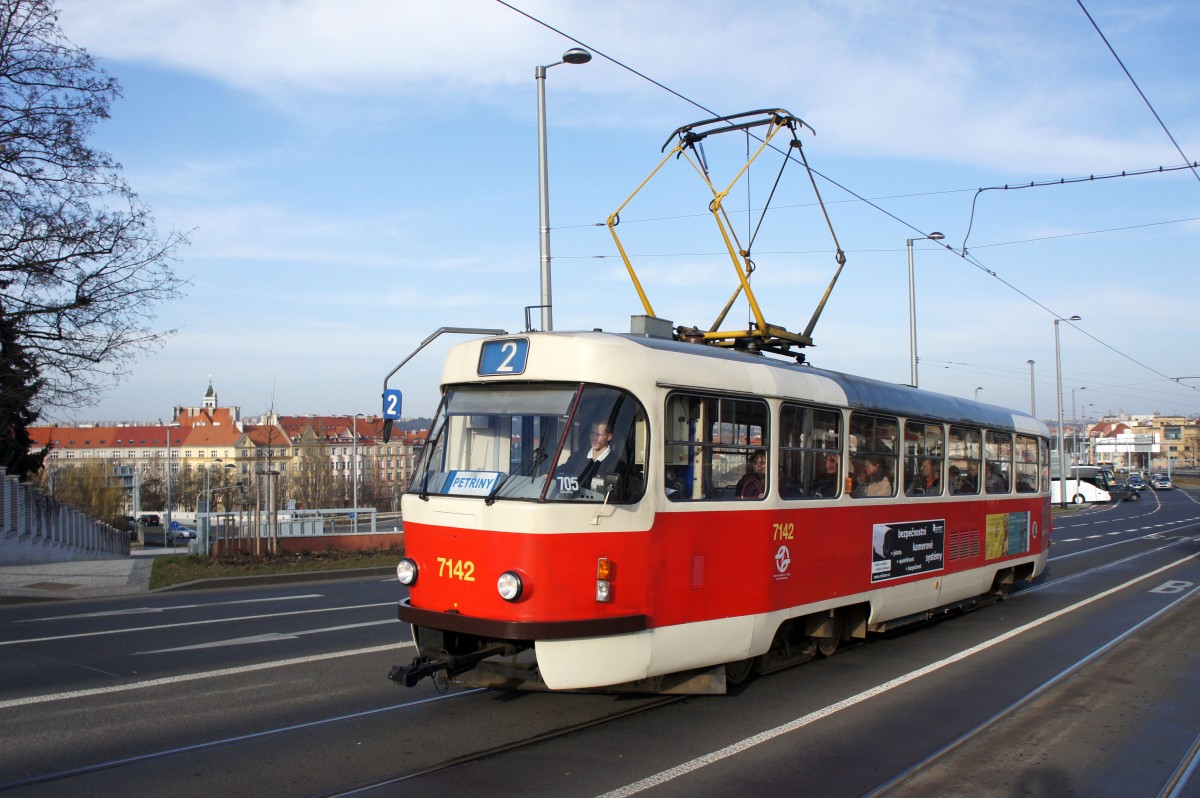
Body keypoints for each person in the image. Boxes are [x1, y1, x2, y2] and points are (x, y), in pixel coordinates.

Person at [562, 421, 626, 494]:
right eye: (592, 433)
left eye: (598, 434)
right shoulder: (578, 457)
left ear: (609, 437)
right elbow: (563, 470)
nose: (594, 438)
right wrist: (549, 475)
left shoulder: (617, 465)